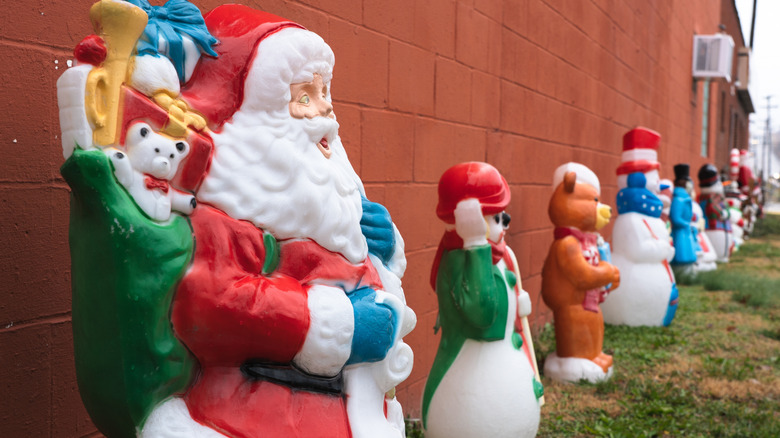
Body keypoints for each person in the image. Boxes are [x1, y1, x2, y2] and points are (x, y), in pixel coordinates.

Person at [143, 5, 413, 437]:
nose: (326, 114)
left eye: (326, 94)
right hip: (264, 411)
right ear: (257, 115)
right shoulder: (234, 213)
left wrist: (384, 251)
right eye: (305, 97)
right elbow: (211, 301)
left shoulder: (331, 205)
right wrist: (340, 324)